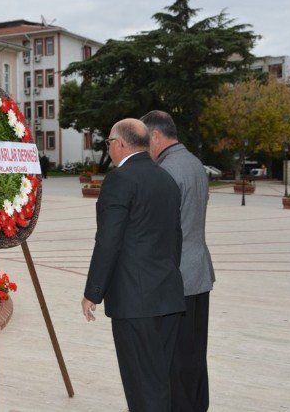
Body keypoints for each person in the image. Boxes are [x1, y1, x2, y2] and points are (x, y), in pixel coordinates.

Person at [81, 118, 185, 412]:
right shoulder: (165, 178)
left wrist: (93, 291)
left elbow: (108, 240)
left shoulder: (119, 179)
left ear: (121, 144)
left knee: (142, 386)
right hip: (167, 296)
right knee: (158, 380)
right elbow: (175, 238)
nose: (109, 148)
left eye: (109, 142)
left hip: (135, 302)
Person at [141, 110, 215, 412]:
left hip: (175, 277)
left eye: (146, 142)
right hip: (199, 271)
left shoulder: (167, 171)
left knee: (173, 354)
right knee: (194, 350)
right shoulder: (195, 164)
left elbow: (158, 229)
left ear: (156, 136)